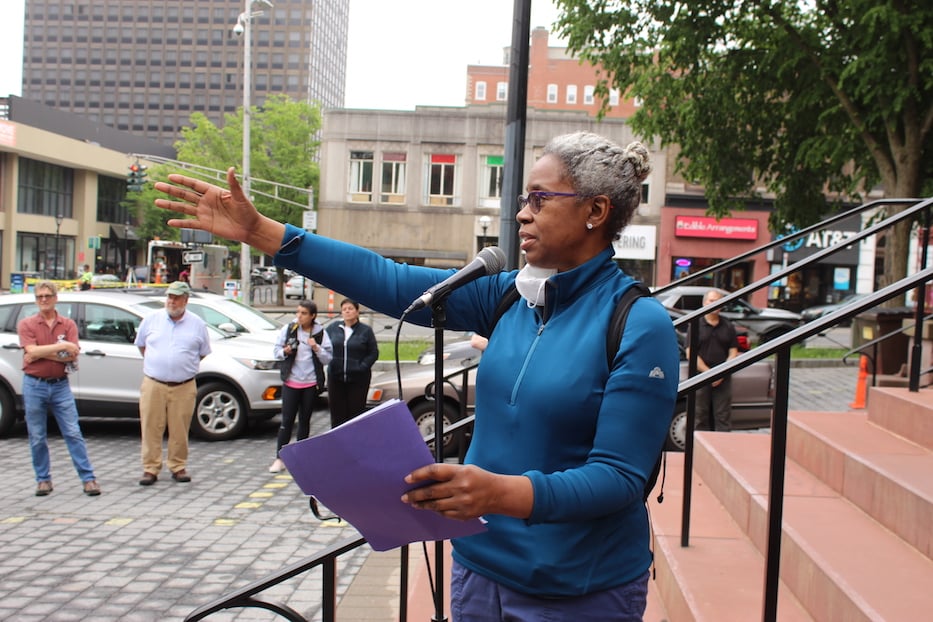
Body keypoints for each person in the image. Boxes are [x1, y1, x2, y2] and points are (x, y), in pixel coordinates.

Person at [154, 131, 679, 620]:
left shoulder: (638, 324)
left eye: (539, 200)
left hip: (580, 589)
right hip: (479, 571)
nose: (522, 214)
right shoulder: (508, 297)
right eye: (523, 199)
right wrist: (261, 233)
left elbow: (620, 479)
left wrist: (499, 494)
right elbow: (388, 279)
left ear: (595, 210)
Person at [18, 281, 101, 496]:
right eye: (39, 297)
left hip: (60, 385)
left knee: (73, 432)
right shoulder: (27, 324)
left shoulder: (68, 324)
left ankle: (88, 479)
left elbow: (72, 354)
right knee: (37, 435)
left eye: (47, 296)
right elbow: (31, 352)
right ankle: (43, 480)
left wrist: (41, 352)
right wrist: (62, 346)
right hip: (34, 384)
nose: (43, 300)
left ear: (56, 298)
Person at [134, 280, 211, 486]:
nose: (171, 301)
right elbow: (142, 346)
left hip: (183, 385)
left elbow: (202, 352)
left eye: (176, 298)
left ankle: (178, 466)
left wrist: (181, 366)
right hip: (154, 382)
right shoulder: (151, 320)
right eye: (169, 297)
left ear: (185, 300)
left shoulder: (197, 324)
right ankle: (150, 468)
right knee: (151, 426)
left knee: (180, 428)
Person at [268, 300, 333, 473]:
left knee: (304, 421)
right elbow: (276, 352)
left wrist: (316, 348)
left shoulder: (320, 333)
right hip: (291, 381)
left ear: (312, 316)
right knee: (287, 421)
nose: (299, 316)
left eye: (304, 313)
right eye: (298, 312)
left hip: (310, 383)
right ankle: (280, 458)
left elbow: (328, 358)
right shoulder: (289, 329)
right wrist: (285, 351)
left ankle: (301, 458)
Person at [687, 289, 740, 432]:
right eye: (712, 300)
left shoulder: (728, 325)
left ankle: (722, 448)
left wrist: (721, 373)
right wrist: (709, 373)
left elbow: (733, 350)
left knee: (723, 416)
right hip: (701, 376)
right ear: (705, 303)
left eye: (718, 301)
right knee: (699, 416)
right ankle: (698, 451)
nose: (715, 304)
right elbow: (690, 353)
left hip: (723, 377)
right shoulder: (695, 325)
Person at [325, 298, 379, 428]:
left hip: (358, 380)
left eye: (350, 309)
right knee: (337, 414)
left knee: (355, 414)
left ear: (357, 311)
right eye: (344, 309)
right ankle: (337, 444)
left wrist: (362, 367)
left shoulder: (365, 331)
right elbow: (324, 347)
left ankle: (355, 443)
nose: (347, 312)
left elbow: (373, 353)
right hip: (336, 378)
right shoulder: (333, 328)